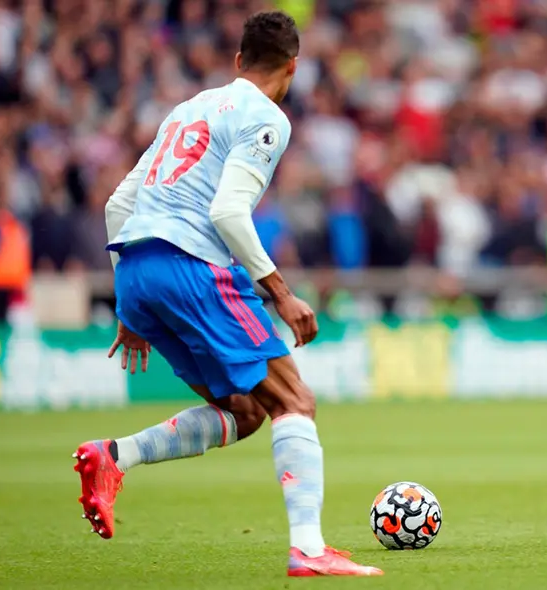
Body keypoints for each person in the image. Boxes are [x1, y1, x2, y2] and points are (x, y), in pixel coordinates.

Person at [72, 11, 382, 577]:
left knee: (244, 411)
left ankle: (114, 456)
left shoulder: (187, 109)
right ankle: (309, 550)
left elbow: (119, 204)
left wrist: (127, 303)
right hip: (191, 266)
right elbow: (228, 212)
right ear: (293, 68)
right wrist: (282, 294)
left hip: (137, 271)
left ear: (239, 60)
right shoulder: (266, 116)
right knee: (295, 401)